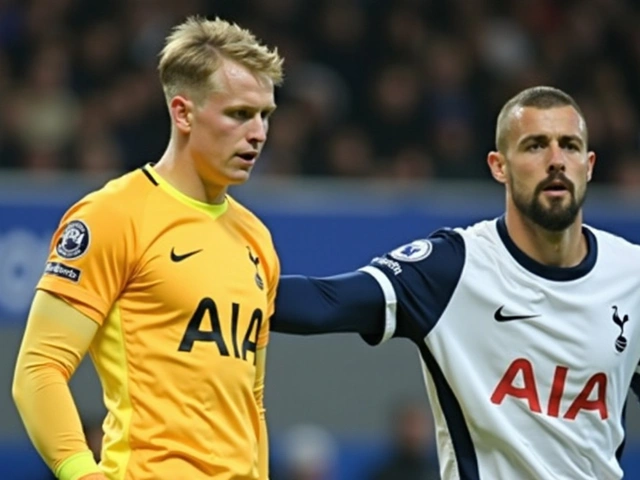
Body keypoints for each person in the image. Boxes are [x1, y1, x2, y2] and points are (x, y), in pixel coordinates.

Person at [271, 86, 640, 480]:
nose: (555, 160)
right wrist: (216, 279)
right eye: (535, 146)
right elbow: (327, 302)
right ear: (499, 166)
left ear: (589, 163)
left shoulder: (631, 273)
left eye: (569, 145)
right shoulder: (453, 267)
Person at [12, 16, 283, 480]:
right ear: (183, 113)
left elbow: (251, 401)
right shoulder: (113, 216)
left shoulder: (257, 239)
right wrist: (83, 473)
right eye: (239, 114)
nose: (257, 132)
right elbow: (38, 371)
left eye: (264, 115)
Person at [368, 399, 439, 480]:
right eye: (410, 424)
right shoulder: (384, 475)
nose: (414, 432)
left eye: (420, 425)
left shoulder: (443, 471)